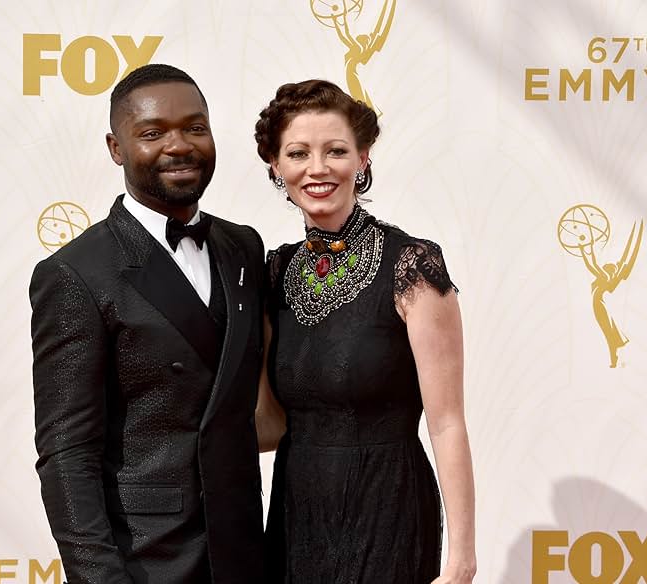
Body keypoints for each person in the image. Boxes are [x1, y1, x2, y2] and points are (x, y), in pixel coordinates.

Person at [29, 64, 265, 584]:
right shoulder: (76, 273)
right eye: (153, 133)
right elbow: (67, 454)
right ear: (116, 148)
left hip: (244, 552)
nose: (178, 145)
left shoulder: (243, 247)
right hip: (148, 560)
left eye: (194, 128)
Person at [254, 79, 477, 583]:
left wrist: (461, 558)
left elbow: (446, 422)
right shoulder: (274, 272)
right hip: (297, 510)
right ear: (276, 166)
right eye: (298, 153)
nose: (317, 168)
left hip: (388, 505)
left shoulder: (412, 265)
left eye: (335, 151)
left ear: (363, 158)